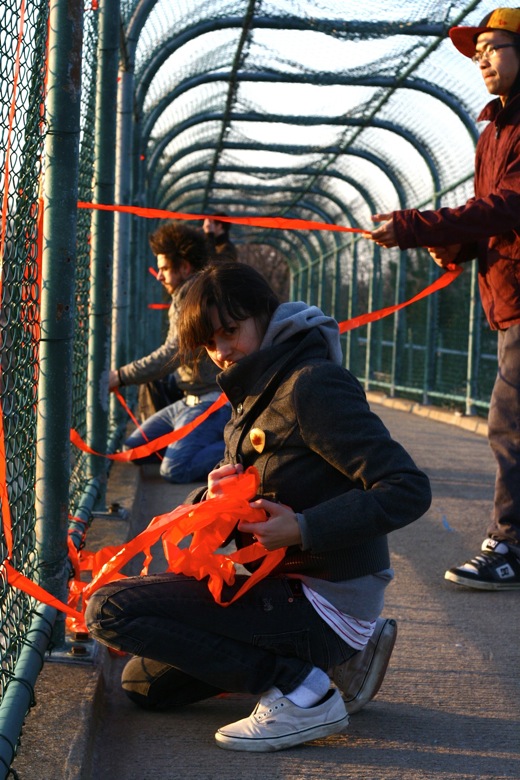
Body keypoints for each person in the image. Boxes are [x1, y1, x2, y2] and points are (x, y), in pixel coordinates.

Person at [86, 262, 431, 753]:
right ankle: (333, 666)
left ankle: (304, 690)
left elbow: (407, 488)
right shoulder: (253, 386)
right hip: (276, 587)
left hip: (321, 599)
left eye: (231, 331)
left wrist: (304, 528)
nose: (222, 351)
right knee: (145, 684)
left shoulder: (311, 385)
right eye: (209, 341)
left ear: (265, 316)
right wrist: (210, 498)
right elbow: (241, 499)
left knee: (110, 608)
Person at [371, 7, 520, 591]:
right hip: (507, 299)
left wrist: (416, 226)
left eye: (493, 45)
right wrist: (453, 246)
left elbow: (508, 207)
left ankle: (507, 545)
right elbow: (493, 220)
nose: (480, 56)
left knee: (508, 426)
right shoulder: (493, 133)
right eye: (476, 49)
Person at [109, 220, 230, 483]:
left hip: (211, 403)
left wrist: (120, 375)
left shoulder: (193, 298)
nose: (159, 276)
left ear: (184, 267)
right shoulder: (187, 293)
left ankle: (243, 448)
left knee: (175, 470)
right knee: (134, 451)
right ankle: (196, 442)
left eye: (164, 268)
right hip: (188, 401)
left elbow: (173, 354)